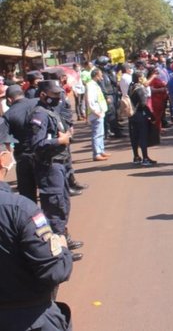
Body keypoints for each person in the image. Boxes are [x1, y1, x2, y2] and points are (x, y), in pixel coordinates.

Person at [0, 120, 74, 331]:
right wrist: (63, 251)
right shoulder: (19, 209)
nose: (11, 151)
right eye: (8, 147)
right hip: (29, 318)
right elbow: (54, 271)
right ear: (2, 159)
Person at [29, 81, 83, 261]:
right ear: (43, 95)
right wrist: (59, 142)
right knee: (54, 209)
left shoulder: (51, 111)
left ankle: (63, 240)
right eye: (54, 95)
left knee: (63, 205)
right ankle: (58, 253)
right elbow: (37, 144)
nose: (58, 98)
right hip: (49, 168)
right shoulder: (39, 114)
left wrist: (66, 136)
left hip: (59, 165)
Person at [3, 85, 38, 202]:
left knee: (27, 194)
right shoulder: (38, 102)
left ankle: (32, 218)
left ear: (9, 100)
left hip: (24, 157)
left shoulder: (8, 115)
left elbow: (6, 141)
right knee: (49, 190)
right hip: (45, 151)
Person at [128, 72, 156, 166]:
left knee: (134, 137)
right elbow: (144, 105)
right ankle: (145, 158)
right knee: (143, 137)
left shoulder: (131, 87)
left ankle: (136, 157)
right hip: (140, 115)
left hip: (132, 115)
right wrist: (152, 116)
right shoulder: (140, 89)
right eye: (143, 77)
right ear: (139, 78)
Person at [86, 68, 110, 162]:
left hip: (100, 111)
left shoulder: (95, 84)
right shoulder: (91, 85)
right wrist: (96, 111)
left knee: (100, 133)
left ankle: (101, 150)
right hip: (96, 113)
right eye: (100, 75)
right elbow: (90, 100)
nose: (102, 77)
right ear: (96, 75)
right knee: (97, 134)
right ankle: (97, 153)